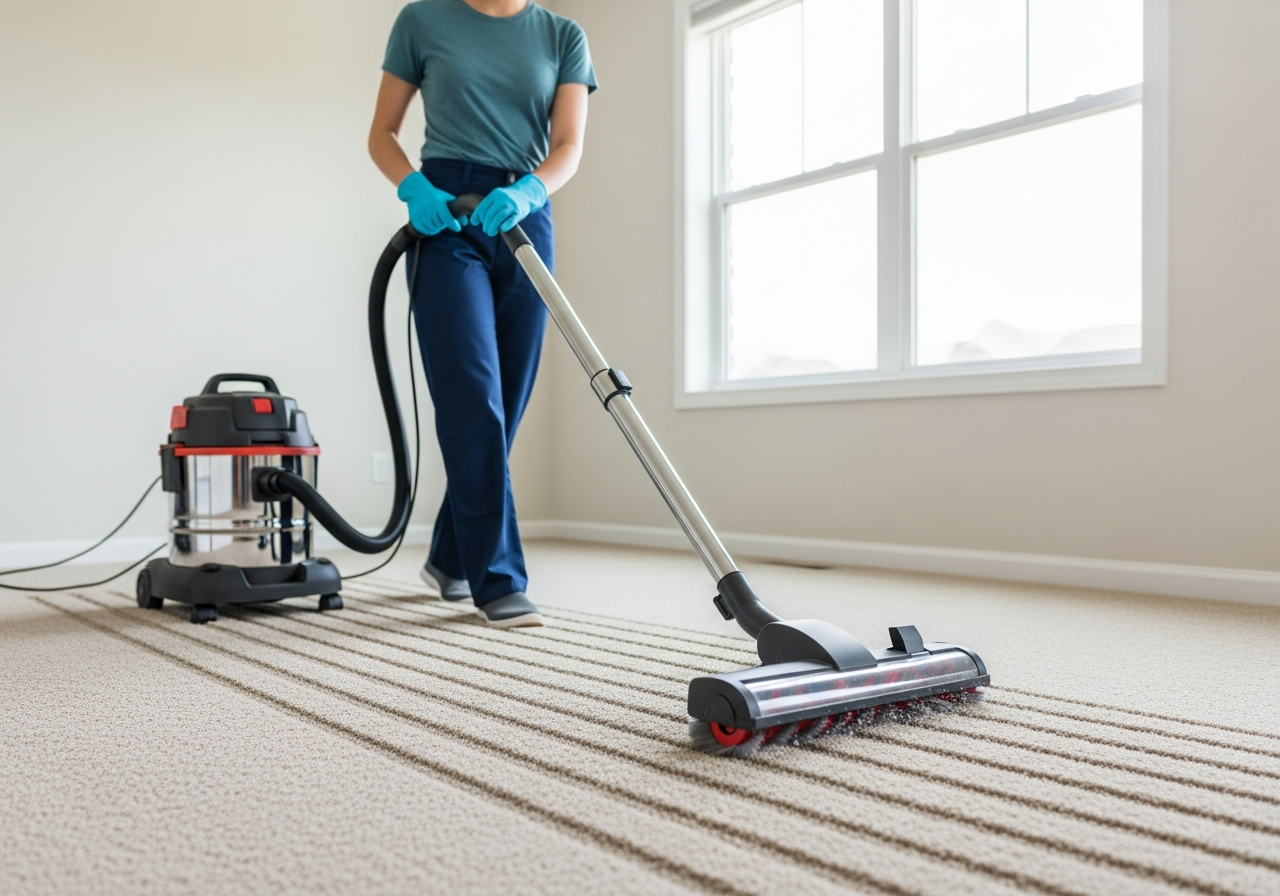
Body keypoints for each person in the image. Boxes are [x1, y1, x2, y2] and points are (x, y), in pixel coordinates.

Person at [368, 0, 594, 628]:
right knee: (473, 398)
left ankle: (447, 556)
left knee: (506, 408)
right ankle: (496, 580)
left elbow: (569, 145)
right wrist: (413, 187)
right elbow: (381, 133)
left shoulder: (561, 35)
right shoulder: (422, 21)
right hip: (444, 213)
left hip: (524, 210)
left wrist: (529, 190)